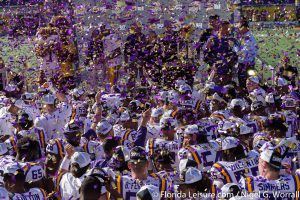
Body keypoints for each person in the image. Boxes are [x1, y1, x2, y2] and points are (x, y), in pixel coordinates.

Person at [236, 18, 258, 89]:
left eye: (239, 27)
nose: (238, 29)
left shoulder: (248, 37)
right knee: (243, 82)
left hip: (247, 64)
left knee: (246, 84)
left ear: (244, 27)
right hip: (244, 63)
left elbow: (244, 52)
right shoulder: (243, 36)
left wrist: (235, 50)